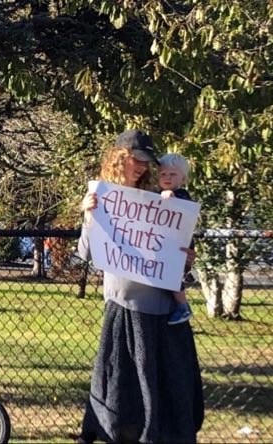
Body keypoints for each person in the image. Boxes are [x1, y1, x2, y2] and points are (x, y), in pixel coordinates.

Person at [77, 130, 204, 443]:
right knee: (119, 388)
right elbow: (87, 253)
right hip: (123, 306)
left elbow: (176, 250)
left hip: (162, 309)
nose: (142, 167)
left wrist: (187, 258)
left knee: (167, 384)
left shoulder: (160, 193)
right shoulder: (104, 196)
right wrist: (89, 216)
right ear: (120, 157)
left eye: (147, 162)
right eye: (137, 159)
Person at [158, 153, 195, 325]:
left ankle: (183, 306)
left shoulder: (181, 195)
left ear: (183, 178)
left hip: (180, 245)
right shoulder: (156, 194)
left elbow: (183, 209)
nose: (167, 178)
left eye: (172, 174)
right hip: (164, 245)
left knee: (172, 278)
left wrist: (171, 197)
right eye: (163, 174)